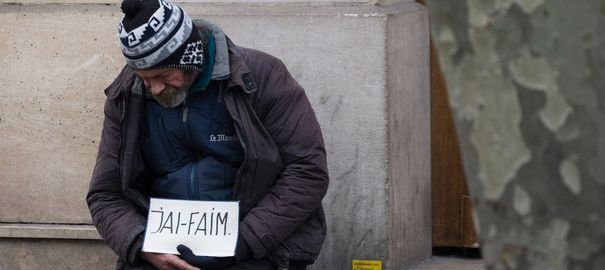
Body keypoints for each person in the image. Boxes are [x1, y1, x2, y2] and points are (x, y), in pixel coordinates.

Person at [86, 0, 329, 269]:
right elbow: (105, 194)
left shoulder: (263, 77)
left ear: (191, 56)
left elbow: (307, 171)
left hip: (255, 245)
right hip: (160, 251)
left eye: (163, 75)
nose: (154, 88)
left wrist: (242, 242)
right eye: (144, 78)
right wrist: (140, 245)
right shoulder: (127, 94)